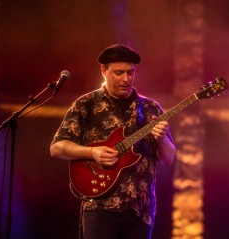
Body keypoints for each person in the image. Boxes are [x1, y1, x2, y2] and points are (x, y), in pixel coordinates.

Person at [50, 43, 176, 239]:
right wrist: (92, 152)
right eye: (119, 73)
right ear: (103, 71)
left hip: (141, 210)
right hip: (99, 206)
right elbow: (57, 147)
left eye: (130, 73)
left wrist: (161, 139)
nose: (126, 79)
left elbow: (168, 159)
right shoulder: (86, 104)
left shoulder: (151, 108)